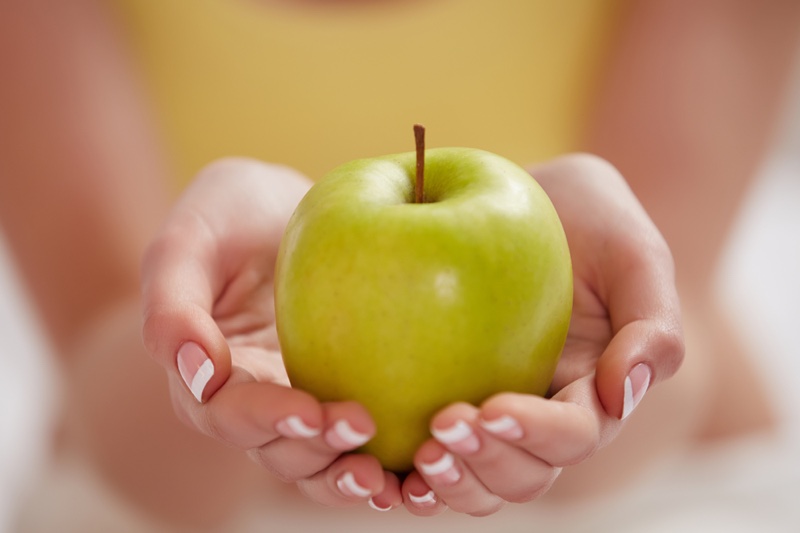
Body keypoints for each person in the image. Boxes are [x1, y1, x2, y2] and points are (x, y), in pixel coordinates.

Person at [1, 0, 798, 530]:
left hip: (663, 485)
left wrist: (616, 368)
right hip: (178, 498)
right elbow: (109, 376)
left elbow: (669, 322)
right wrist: (197, 349)